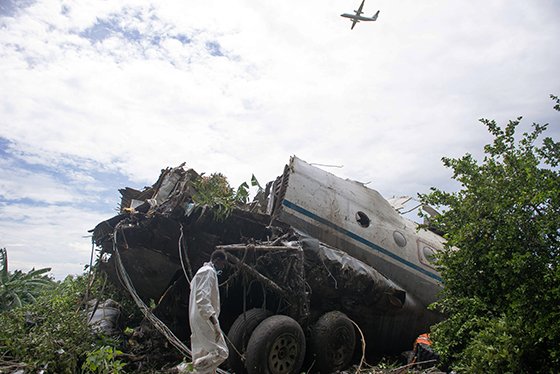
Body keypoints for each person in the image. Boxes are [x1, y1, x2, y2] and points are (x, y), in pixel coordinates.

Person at [188, 250, 229, 373]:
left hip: (195, 316)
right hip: (204, 318)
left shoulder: (200, 272)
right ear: (216, 261)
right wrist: (214, 323)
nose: (222, 267)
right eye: (222, 264)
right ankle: (189, 370)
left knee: (202, 352)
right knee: (221, 352)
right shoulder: (208, 272)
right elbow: (202, 298)